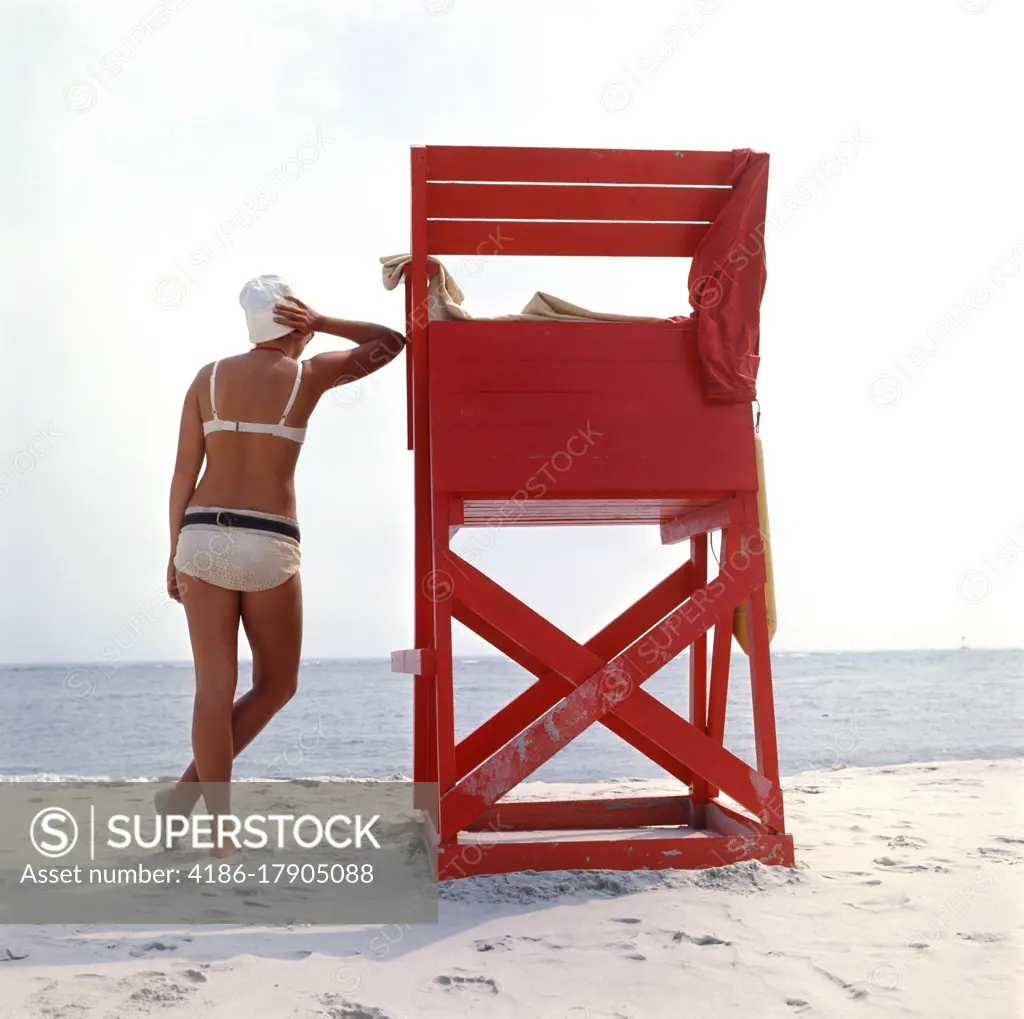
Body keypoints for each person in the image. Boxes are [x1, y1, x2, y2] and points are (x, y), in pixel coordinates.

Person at [159, 274, 405, 854]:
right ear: (294, 323)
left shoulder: (208, 377)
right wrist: (323, 325)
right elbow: (390, 341)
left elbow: (181, 475)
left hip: (200, 534)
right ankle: (183, 796)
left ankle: (214, 829)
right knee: (276, 684)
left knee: (213, 690)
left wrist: (173, 551)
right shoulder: (308, 373)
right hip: (268, 538)